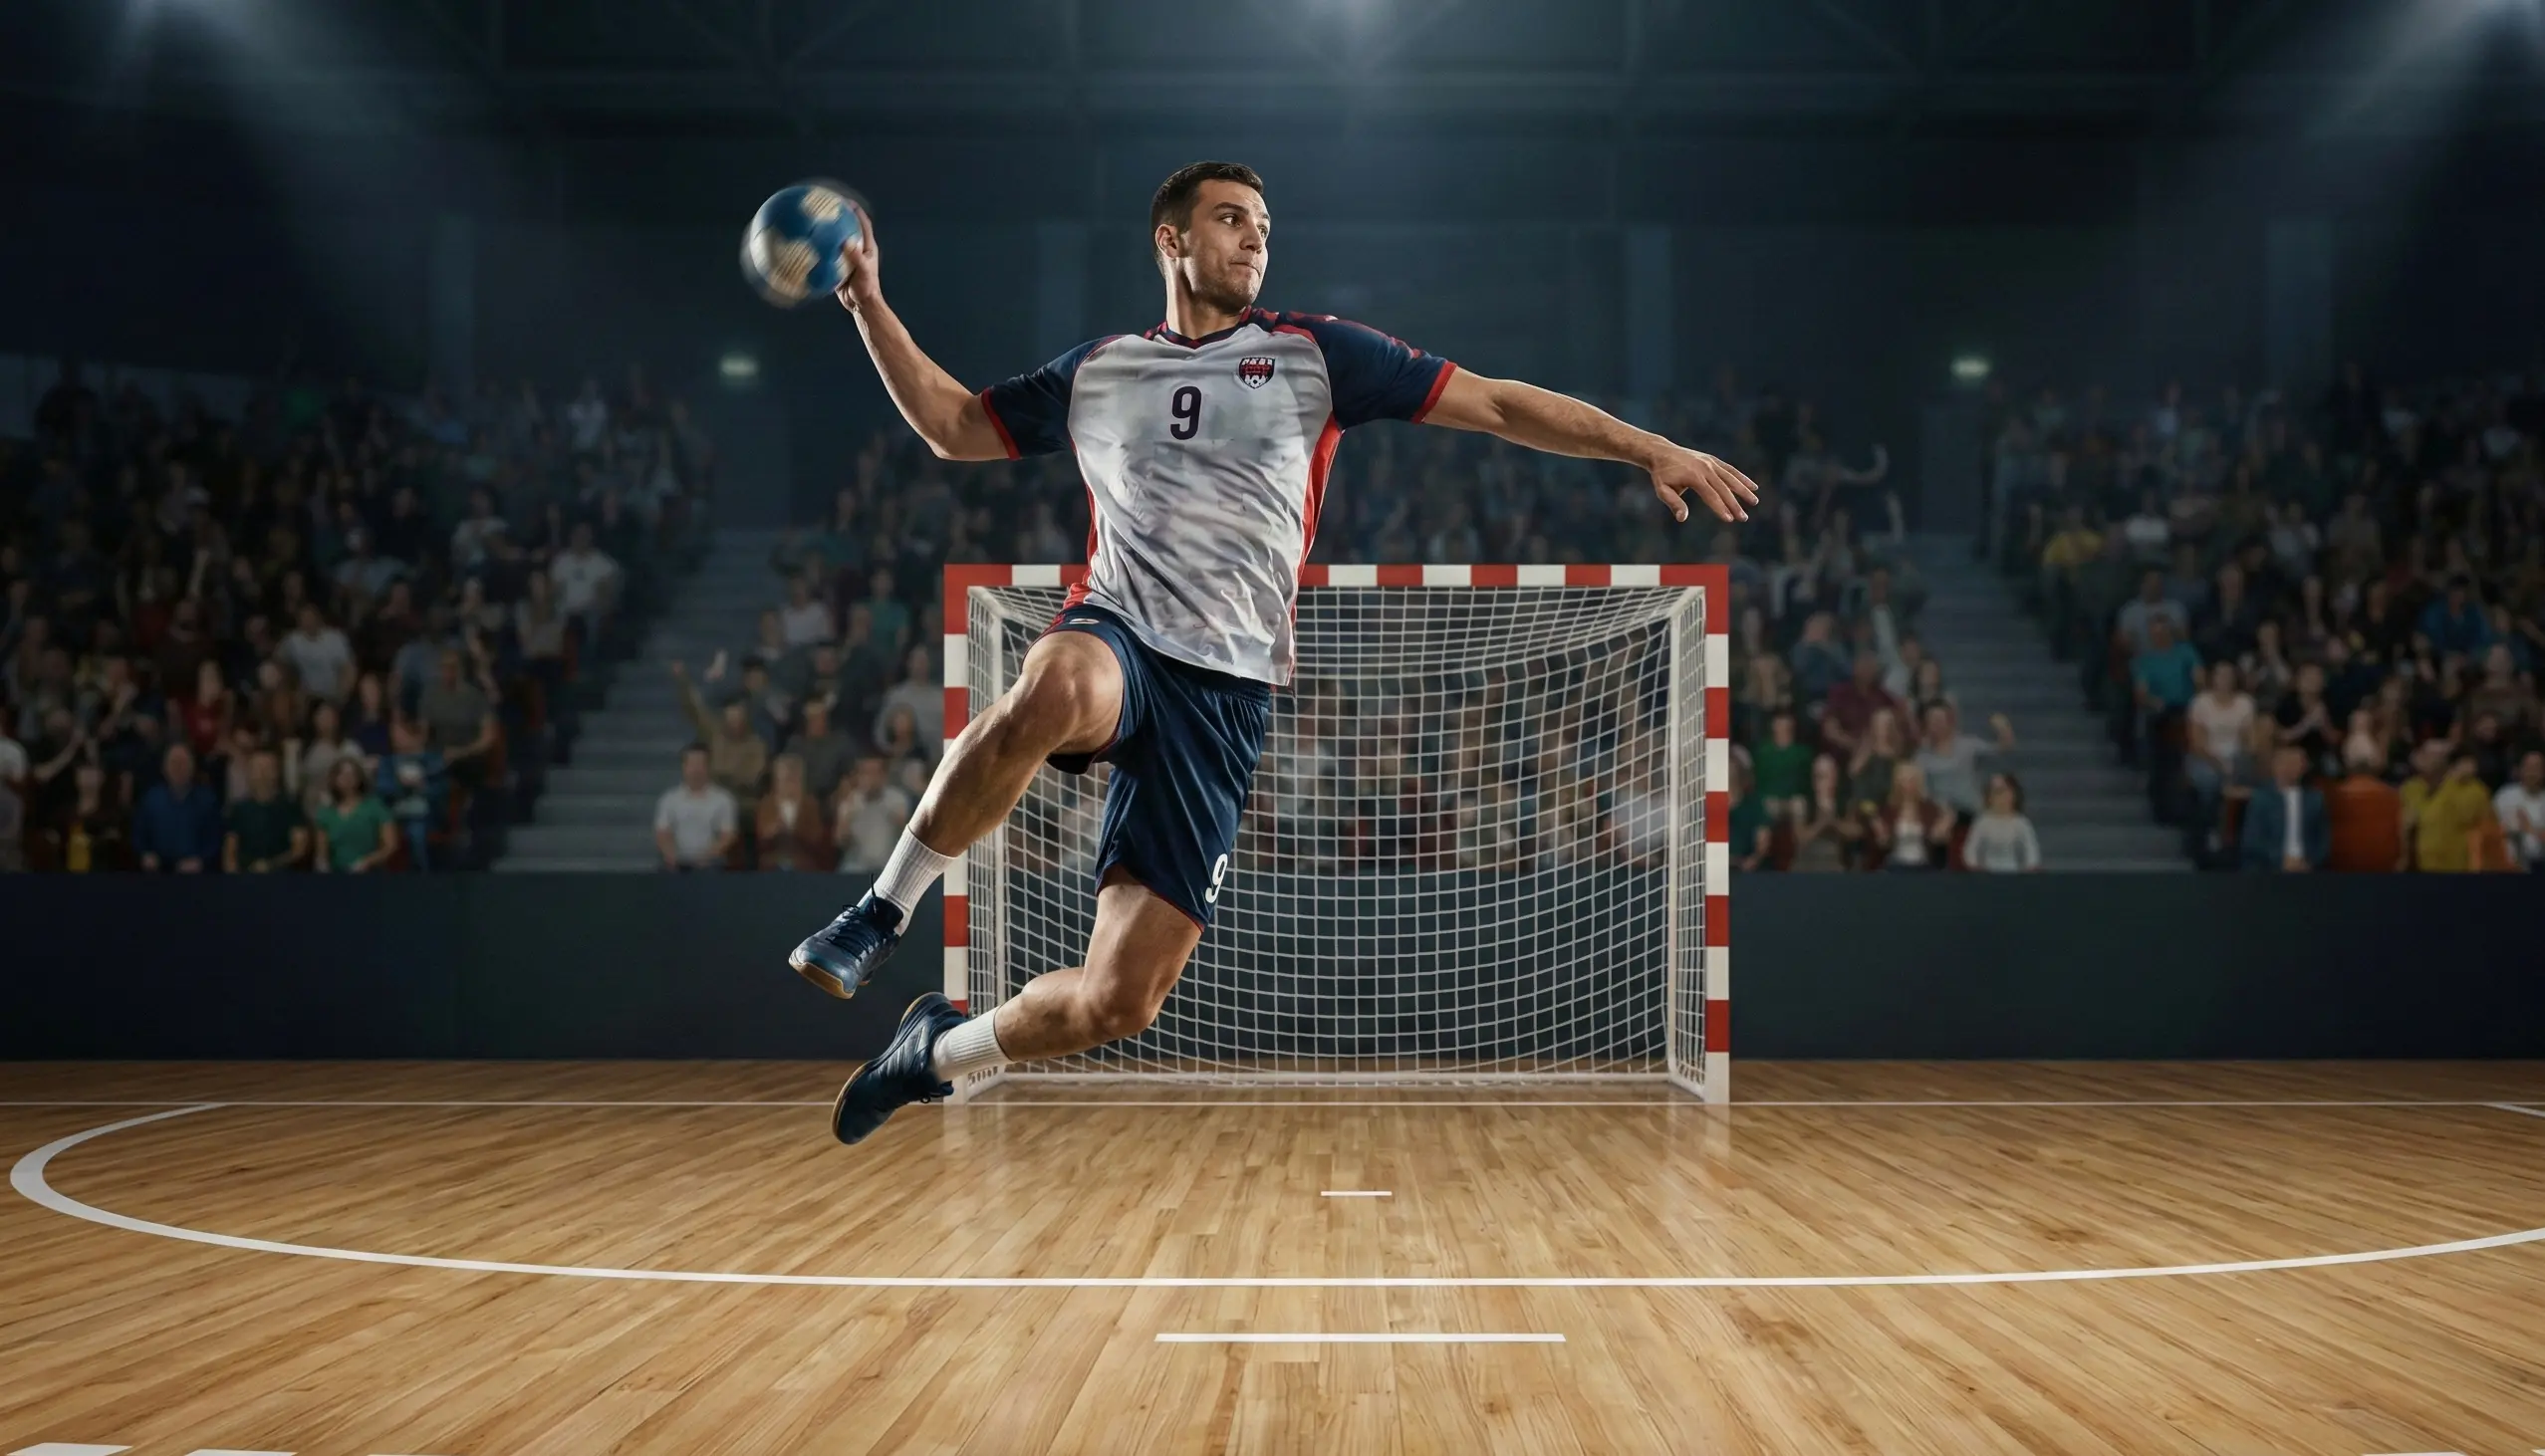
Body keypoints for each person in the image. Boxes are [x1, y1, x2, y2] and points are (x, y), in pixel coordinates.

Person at [785, 159, 1761, 1143]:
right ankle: (878, 912)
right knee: (1051, 688)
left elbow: (1500, 404)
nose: (1254, 237)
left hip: (1227, 694)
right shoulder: (1099, 371)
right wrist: (866, 301)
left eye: (1261, 224)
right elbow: (955, 427)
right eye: (1228, 220)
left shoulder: (1315, 354)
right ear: (1169, 241)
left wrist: (1646, 447)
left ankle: (930, 1052)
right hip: (1119, 633)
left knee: (1117, 1003)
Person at [2238, 744, 2328, 872]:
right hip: (2268, 869)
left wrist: (2308, 862)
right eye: (2287, 763)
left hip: (2306, 869)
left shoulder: (2315, 800)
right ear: (2276, 766)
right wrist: (2282, 860)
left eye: (2296, 763)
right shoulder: (2261, 798)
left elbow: (2322, 842)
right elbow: (2252, 841)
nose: (2291, 768)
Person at [133, 742, 221, 873]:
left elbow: (215, 839)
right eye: (174, 762)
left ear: (193, 766)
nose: (179, 767)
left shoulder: (208, 800)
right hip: (158, 873)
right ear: (164, 768)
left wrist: (202, 860)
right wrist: (145, 854)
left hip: (197, 874)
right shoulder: (151, 798)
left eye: (184, 762)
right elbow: (139, 834)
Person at [222, 747, 309, 873]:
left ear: (277, 772)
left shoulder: (291, 806)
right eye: (257, 768)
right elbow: (229, 853)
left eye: (268, 768)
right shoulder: (238, 810)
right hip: (246, 879)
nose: (263, 773)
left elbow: (299, 850)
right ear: (249, 773)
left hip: (284, 878)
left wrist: (270, 866)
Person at [655, 743, 738, 871]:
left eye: (700, 764)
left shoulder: (723, 799)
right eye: (692, 764)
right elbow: (662, 833)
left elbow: (727, 836)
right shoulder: (669, 799)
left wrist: (707, 856)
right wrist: (670, 854)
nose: (696, 770)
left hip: (712, 862)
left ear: (708, 767)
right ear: (684, 767)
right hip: (677, 863)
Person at [311, 757, 397, 873]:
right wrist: (322, 867)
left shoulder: (375, 807)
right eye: (342, 774)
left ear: (359, 778)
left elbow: (390, 846)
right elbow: (322, 854)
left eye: (351, 774)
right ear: (334, 779)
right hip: (337, 877)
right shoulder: (325, 813)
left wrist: (367, 861)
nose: (347, 778)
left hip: (371, 875)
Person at [755, 753, 835, 871]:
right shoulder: (767, 804)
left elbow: (816, 837)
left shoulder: (810, 804)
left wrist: (794, 831)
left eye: (793, 779)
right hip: (773, 858)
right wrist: (772, 831)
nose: (788, 784)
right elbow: (760, 838)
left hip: (803, 858)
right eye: (784, 779)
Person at [1963, 772, 2042, 872]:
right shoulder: (1982, 822)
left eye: (2005, 793)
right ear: (1989, 798)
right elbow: (1971, 849)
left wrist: (2030, 866)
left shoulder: (2021, 822)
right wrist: (1974, 866)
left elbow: (2031, 848)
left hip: (2013, 872)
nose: (2001, 799)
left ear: (2014, 796)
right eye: (1996, 794)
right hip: (1987, 874)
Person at [2493, 749, 2545, 871]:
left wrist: (2530, 829)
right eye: (2528, 767)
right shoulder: (2505, 796)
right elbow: (2491, 829)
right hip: (2506, 868)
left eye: (2536, 768)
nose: (2532, 773)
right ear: (2520, 770)